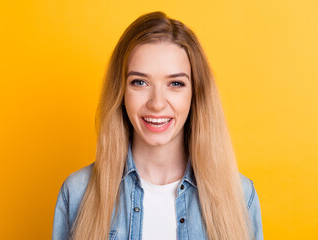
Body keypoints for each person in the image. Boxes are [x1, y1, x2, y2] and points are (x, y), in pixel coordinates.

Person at [52, 11, 263, 240]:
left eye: (175, 83)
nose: (157, 103)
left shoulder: (240, 196)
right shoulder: (77, 194)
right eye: (140, 82)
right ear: (121, 92)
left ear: (196, 94)